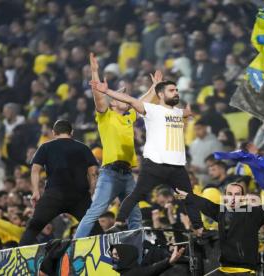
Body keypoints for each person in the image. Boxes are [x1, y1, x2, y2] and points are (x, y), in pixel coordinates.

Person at [89, 78, 203, 235]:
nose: (176, 92)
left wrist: (188, 113)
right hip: (154, 165)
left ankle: (199, 229)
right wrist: (107, 91)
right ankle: (120, 222)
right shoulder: (152, 110)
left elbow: (184, 113)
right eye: (172, 90)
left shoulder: (177, 112)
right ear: (161, 95)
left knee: (189, 197)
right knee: (137, 194)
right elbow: (130, 100)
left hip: (177, 166)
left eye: (177, 90)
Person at [74, 53, 161, 238]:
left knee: (135, 217)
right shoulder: (106, 116)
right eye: (122, 97)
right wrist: (95, 72)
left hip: (128, 174)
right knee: (95, 212)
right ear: (113, 103)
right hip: (110, 174)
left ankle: (135, 254)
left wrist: (154, 87)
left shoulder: (128, 117)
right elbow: (98, 97)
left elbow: (142, 102)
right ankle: (75, 248)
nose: (126, 99)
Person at [175, 182, 264, 275]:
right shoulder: (220, 212)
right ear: (225, 196)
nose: (233, 198)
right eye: (230, 194)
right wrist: (188, 196)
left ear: (242, 197)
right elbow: (205, 204)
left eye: (237, 194)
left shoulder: (253, 213)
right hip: (224, 269)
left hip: (244, 271)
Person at [19, 120, 101, 245]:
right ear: (71, 132)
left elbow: (35, 170)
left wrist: (35, 191)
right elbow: (93, 171)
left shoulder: (45, 146)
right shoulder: (83, 147)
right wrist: (92, 190)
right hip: (79, 196)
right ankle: (109, 256)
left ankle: (22, 260)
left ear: (53, 133)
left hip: (54, 195)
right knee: (95, 230)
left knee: (33, 228)